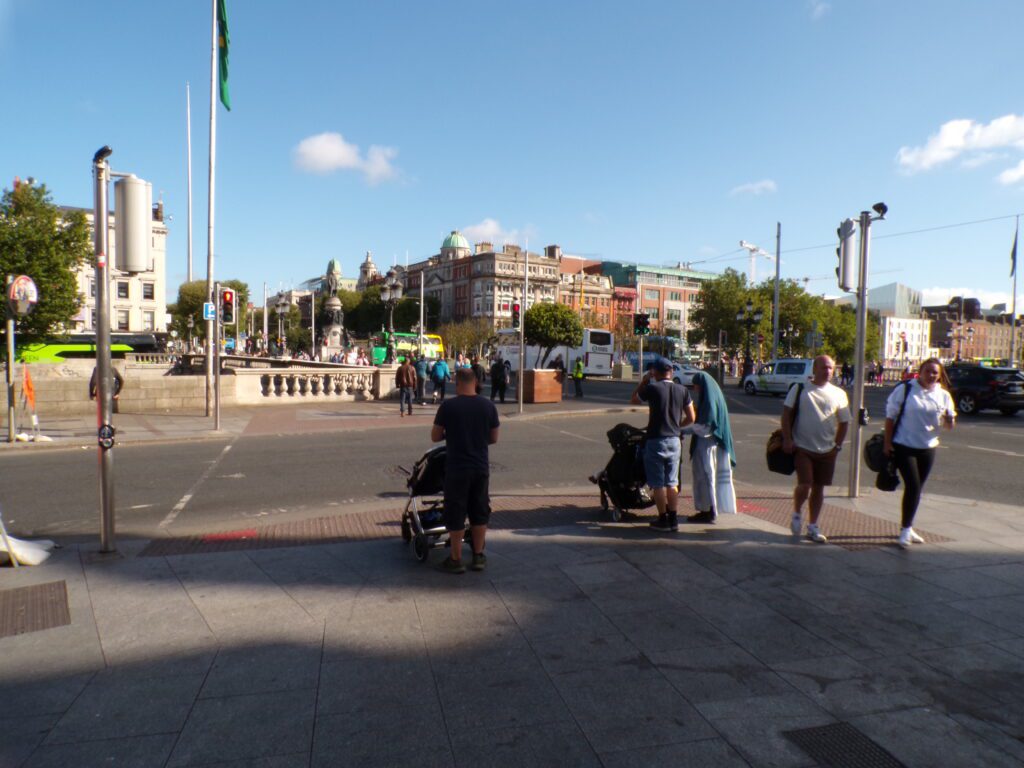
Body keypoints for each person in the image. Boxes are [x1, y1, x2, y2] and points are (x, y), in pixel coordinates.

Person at [431, 368, 500, 574]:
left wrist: (452, 434)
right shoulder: (488, 406)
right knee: (479, 510)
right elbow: (494, 438)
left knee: (456, 512)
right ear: (476, 382)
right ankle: (478, 555)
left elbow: (435, 436)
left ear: (458, 383)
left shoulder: (448, 406)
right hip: (480, 466)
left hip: (457, 467)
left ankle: (456, 558)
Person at [884, 358, 956, 549]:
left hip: (928, 447)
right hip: (903, 445)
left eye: (935, 372)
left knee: (917, 488)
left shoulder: (943, 395)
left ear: (940, 375)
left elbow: (949, 426)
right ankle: (906, 529)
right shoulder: (906, 389)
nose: (931, 375)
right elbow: (890, 416)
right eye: (928, 371)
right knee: (913, 486)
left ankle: (908, 526)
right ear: (920, 371)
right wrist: (887, 443)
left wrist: (949, 419)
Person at [782, 355, 850, 543]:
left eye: (830, 368)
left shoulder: (839, 394)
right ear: (814, 369)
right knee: (805, 484)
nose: (827, 371)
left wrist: (837, 446)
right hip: (802, 446)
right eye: (823, 367)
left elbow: (844, 422)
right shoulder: (800, 389)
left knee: (819, 488)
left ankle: (813, 525)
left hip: (827, 449)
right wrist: (788, 439)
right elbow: (786, 414)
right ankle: (797, 512)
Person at [630, 357, 696, 532]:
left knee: (658, 484)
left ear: (655, 373)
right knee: (672, 482)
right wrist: (676, 426)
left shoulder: (652, 388)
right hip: (675, 441)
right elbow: (691, 417)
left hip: (656, 440)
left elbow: (634, 399)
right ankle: (674, 519)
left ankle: (663, 519)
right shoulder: (682, 390)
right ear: (671, 372)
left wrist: (643, 382)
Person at [683, 371, 737, 524]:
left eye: (696, 386)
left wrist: (682, 430)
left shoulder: (709, 401)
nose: (695, 389)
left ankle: (708, 510)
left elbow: (706, 427)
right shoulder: (713, 395)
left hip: (707, 444)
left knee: (706, 477)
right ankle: (709, 508)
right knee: (708, 477)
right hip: (713, 444)